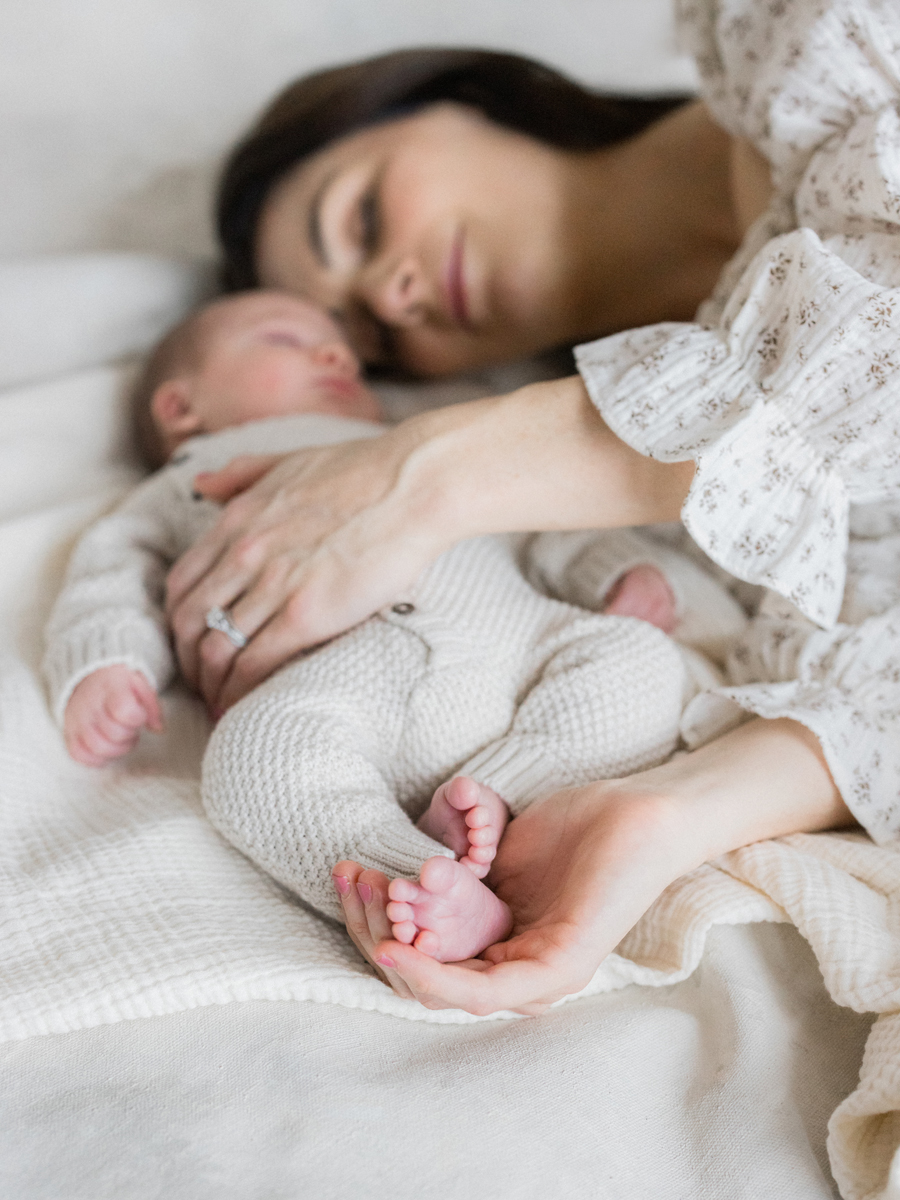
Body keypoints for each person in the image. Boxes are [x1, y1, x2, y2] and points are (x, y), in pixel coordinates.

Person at [164, 0, 899, 1014]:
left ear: (460, 97)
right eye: (373, 341)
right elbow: (877, 702)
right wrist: (656, 816)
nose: (394, 292)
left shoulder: (812, 29)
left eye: (363, 219)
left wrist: (421, 474)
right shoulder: (725, 537)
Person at [44, 288, 746, 963]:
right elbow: (115, 564)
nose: (337, 359)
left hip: (517, 643)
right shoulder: (194, 477)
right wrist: (108, 661)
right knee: (252, 757)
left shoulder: (416, 445)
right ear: (181, 408)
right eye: (290, 341)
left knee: (638, 659)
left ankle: (501, 796)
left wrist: (615, 570)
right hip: (343, 689)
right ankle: (411, 878)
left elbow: (540, 524)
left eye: (343, 351)